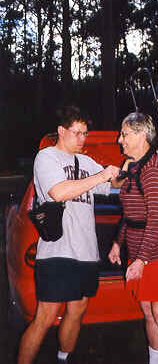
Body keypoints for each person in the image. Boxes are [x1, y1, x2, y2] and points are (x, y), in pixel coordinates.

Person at [17, 105, 120, 364]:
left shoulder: (86, 162)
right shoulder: (46, 157)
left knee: (78, 310)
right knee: (46, 317)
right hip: (57, 251)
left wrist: (126, 170)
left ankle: (64, 359)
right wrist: (101, 176)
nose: (83, 139)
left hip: (87, 252)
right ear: (62, 131)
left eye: (85, 133)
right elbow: (59, 192)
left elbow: (113, 185)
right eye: (77, 133)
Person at [109, 112, 158, 364]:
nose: (120, 140)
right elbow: (131, 214)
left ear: (142, 135)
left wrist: (141, 260)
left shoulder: (154, 170)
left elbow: (155, 220)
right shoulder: (134, 166)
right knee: (148, 313)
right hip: (139, 251)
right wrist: (119, 243)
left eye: (125, 134)